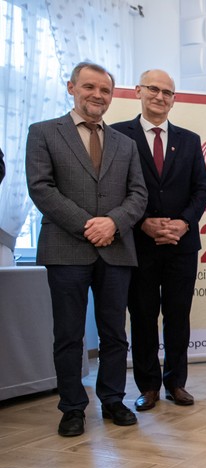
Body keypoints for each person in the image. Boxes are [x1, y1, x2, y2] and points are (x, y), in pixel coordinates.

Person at [25, 62, 148, 437]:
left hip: (116, 248)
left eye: (105, 90)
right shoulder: (43, 132)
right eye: (89, 87)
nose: (97, 95)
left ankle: (113, 399)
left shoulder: (125, 144)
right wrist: (87, 225)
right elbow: (41, 187)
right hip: (66, 248)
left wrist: (113, 222)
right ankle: (72, 407)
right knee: (69, 334)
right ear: (71, 87)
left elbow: (138, 194)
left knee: (115, 333)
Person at [111, 69, 206, 411]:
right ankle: (148, 386)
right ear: (138, 91)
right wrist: (142, 223)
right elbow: (112, 189)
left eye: (167, 92)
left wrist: (183, 223)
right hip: (137, 244)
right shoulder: (118, 136)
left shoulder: (190, 139)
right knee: (141, 316)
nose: (160, 96)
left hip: (182, 245)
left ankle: (176, 383)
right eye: (153, 89)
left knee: (178, 315)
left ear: (174, 98)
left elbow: (202, 189)